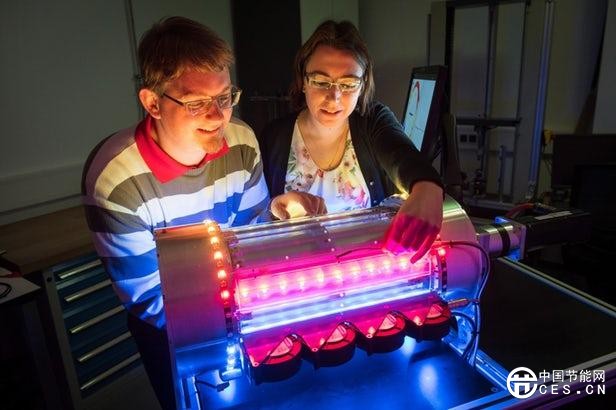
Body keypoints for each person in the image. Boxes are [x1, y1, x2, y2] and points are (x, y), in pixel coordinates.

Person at [81, 16, 269, 409]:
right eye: (197, 103)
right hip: (168, 330)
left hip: (240, 309)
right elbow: (150, 299)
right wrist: (232, 320)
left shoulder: (242, 141)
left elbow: (252, 240)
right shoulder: (116, 180)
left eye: (224, 97)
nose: (218, 116)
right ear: (152, 103)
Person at [259, 20, 444, 263]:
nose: (334, 97)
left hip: (365, 271)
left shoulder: (373, 121)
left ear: (362, 85)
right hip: (296, 272)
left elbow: (404, 156)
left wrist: (427, 188)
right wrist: (274, 207)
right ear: (303, 81)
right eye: (321, 82)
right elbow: (256, 219)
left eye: (348, 84)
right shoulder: (273, 137)